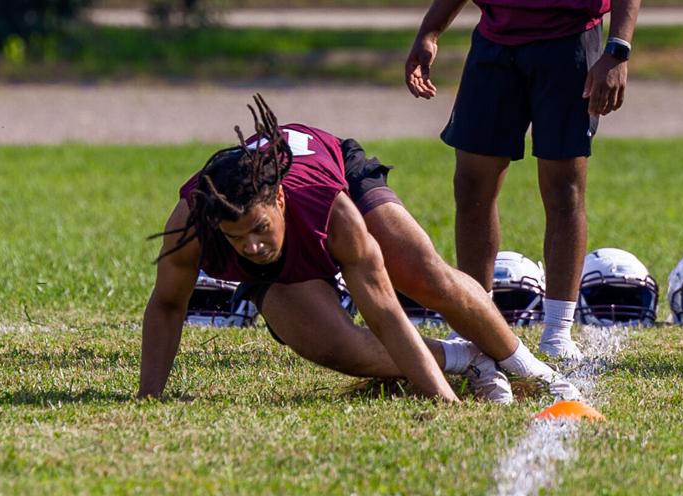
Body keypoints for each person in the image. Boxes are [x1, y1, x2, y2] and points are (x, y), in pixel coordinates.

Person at [138, 95, 580, 403]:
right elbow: (167, 306)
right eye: (236, 238)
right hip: (289, 216)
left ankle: (530, 368)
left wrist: (443, 405)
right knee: (334, 346)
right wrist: (148, 398)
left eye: (258, 229)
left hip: (337, 174)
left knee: (422, 272)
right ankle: (468, 359)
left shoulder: (330, 210)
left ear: (279, 201)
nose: (251, 246)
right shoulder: (194, 224)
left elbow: (386, 313)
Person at [405, 0, 641, 360]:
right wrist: (430, 31)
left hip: (569, 39)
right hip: (495, 41)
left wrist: (618, 49)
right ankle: (474, 325)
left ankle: (558, 331)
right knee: (471, 186)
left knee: (564, 188)